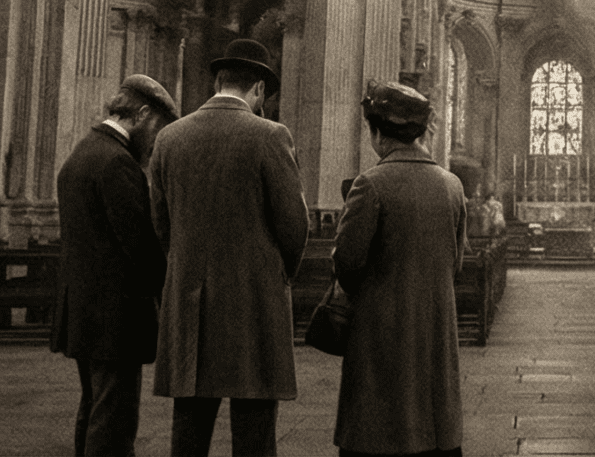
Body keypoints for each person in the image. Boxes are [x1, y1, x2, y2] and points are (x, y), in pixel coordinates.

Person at [149, 38, 309, 457]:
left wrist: (186, 264)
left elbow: (161, 223)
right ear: (258, 88)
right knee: (254, 430)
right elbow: (294, 226)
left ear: (218, 81)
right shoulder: (270, 136)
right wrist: (276, 274)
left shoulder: (169, 137)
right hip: (253, 302)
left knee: (189, 426)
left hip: (189, 301)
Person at [333, 83, 466, 457]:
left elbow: (347, 261)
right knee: (434, 420)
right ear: (422, 132)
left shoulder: (371, 184)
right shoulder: (452, 185)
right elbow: (455, 262)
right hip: (437, 326)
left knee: (377, 426)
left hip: (381, 329)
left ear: (376, 133)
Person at [53, 73, 181, 457]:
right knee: (113, 421)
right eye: (157, 128)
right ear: (142, 114)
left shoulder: (83, 152)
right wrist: (169, 287)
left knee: (93, 410)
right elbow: (139, 246)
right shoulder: (117, 163)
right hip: (114, 318)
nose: (156, 140)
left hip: (84, 313)